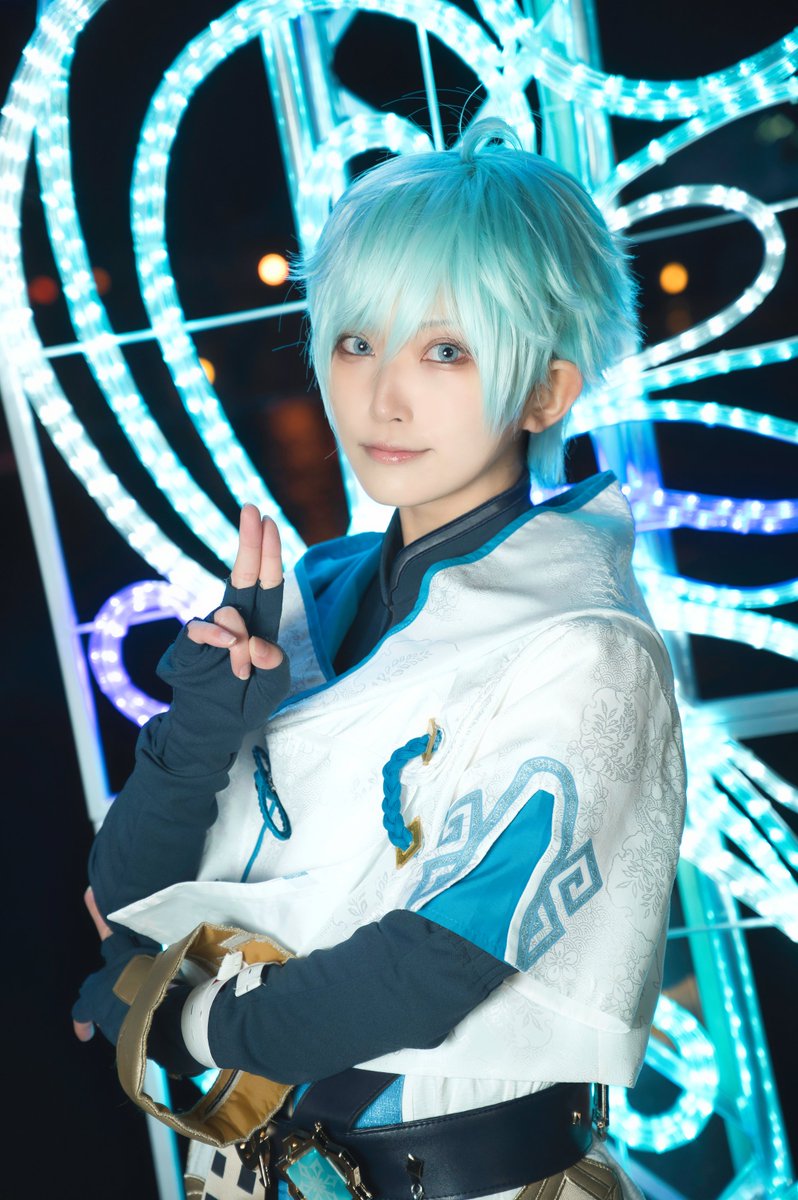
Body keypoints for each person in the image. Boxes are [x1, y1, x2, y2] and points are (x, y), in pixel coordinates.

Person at [73, 118, 686, 1200]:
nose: (381, 397)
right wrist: (202, 725)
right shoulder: (314, 598)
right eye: (357, 341)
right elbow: (128, 902)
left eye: (445, 351)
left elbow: (433, 965)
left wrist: (182, 1019)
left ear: (546, 391)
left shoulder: (584, 647)